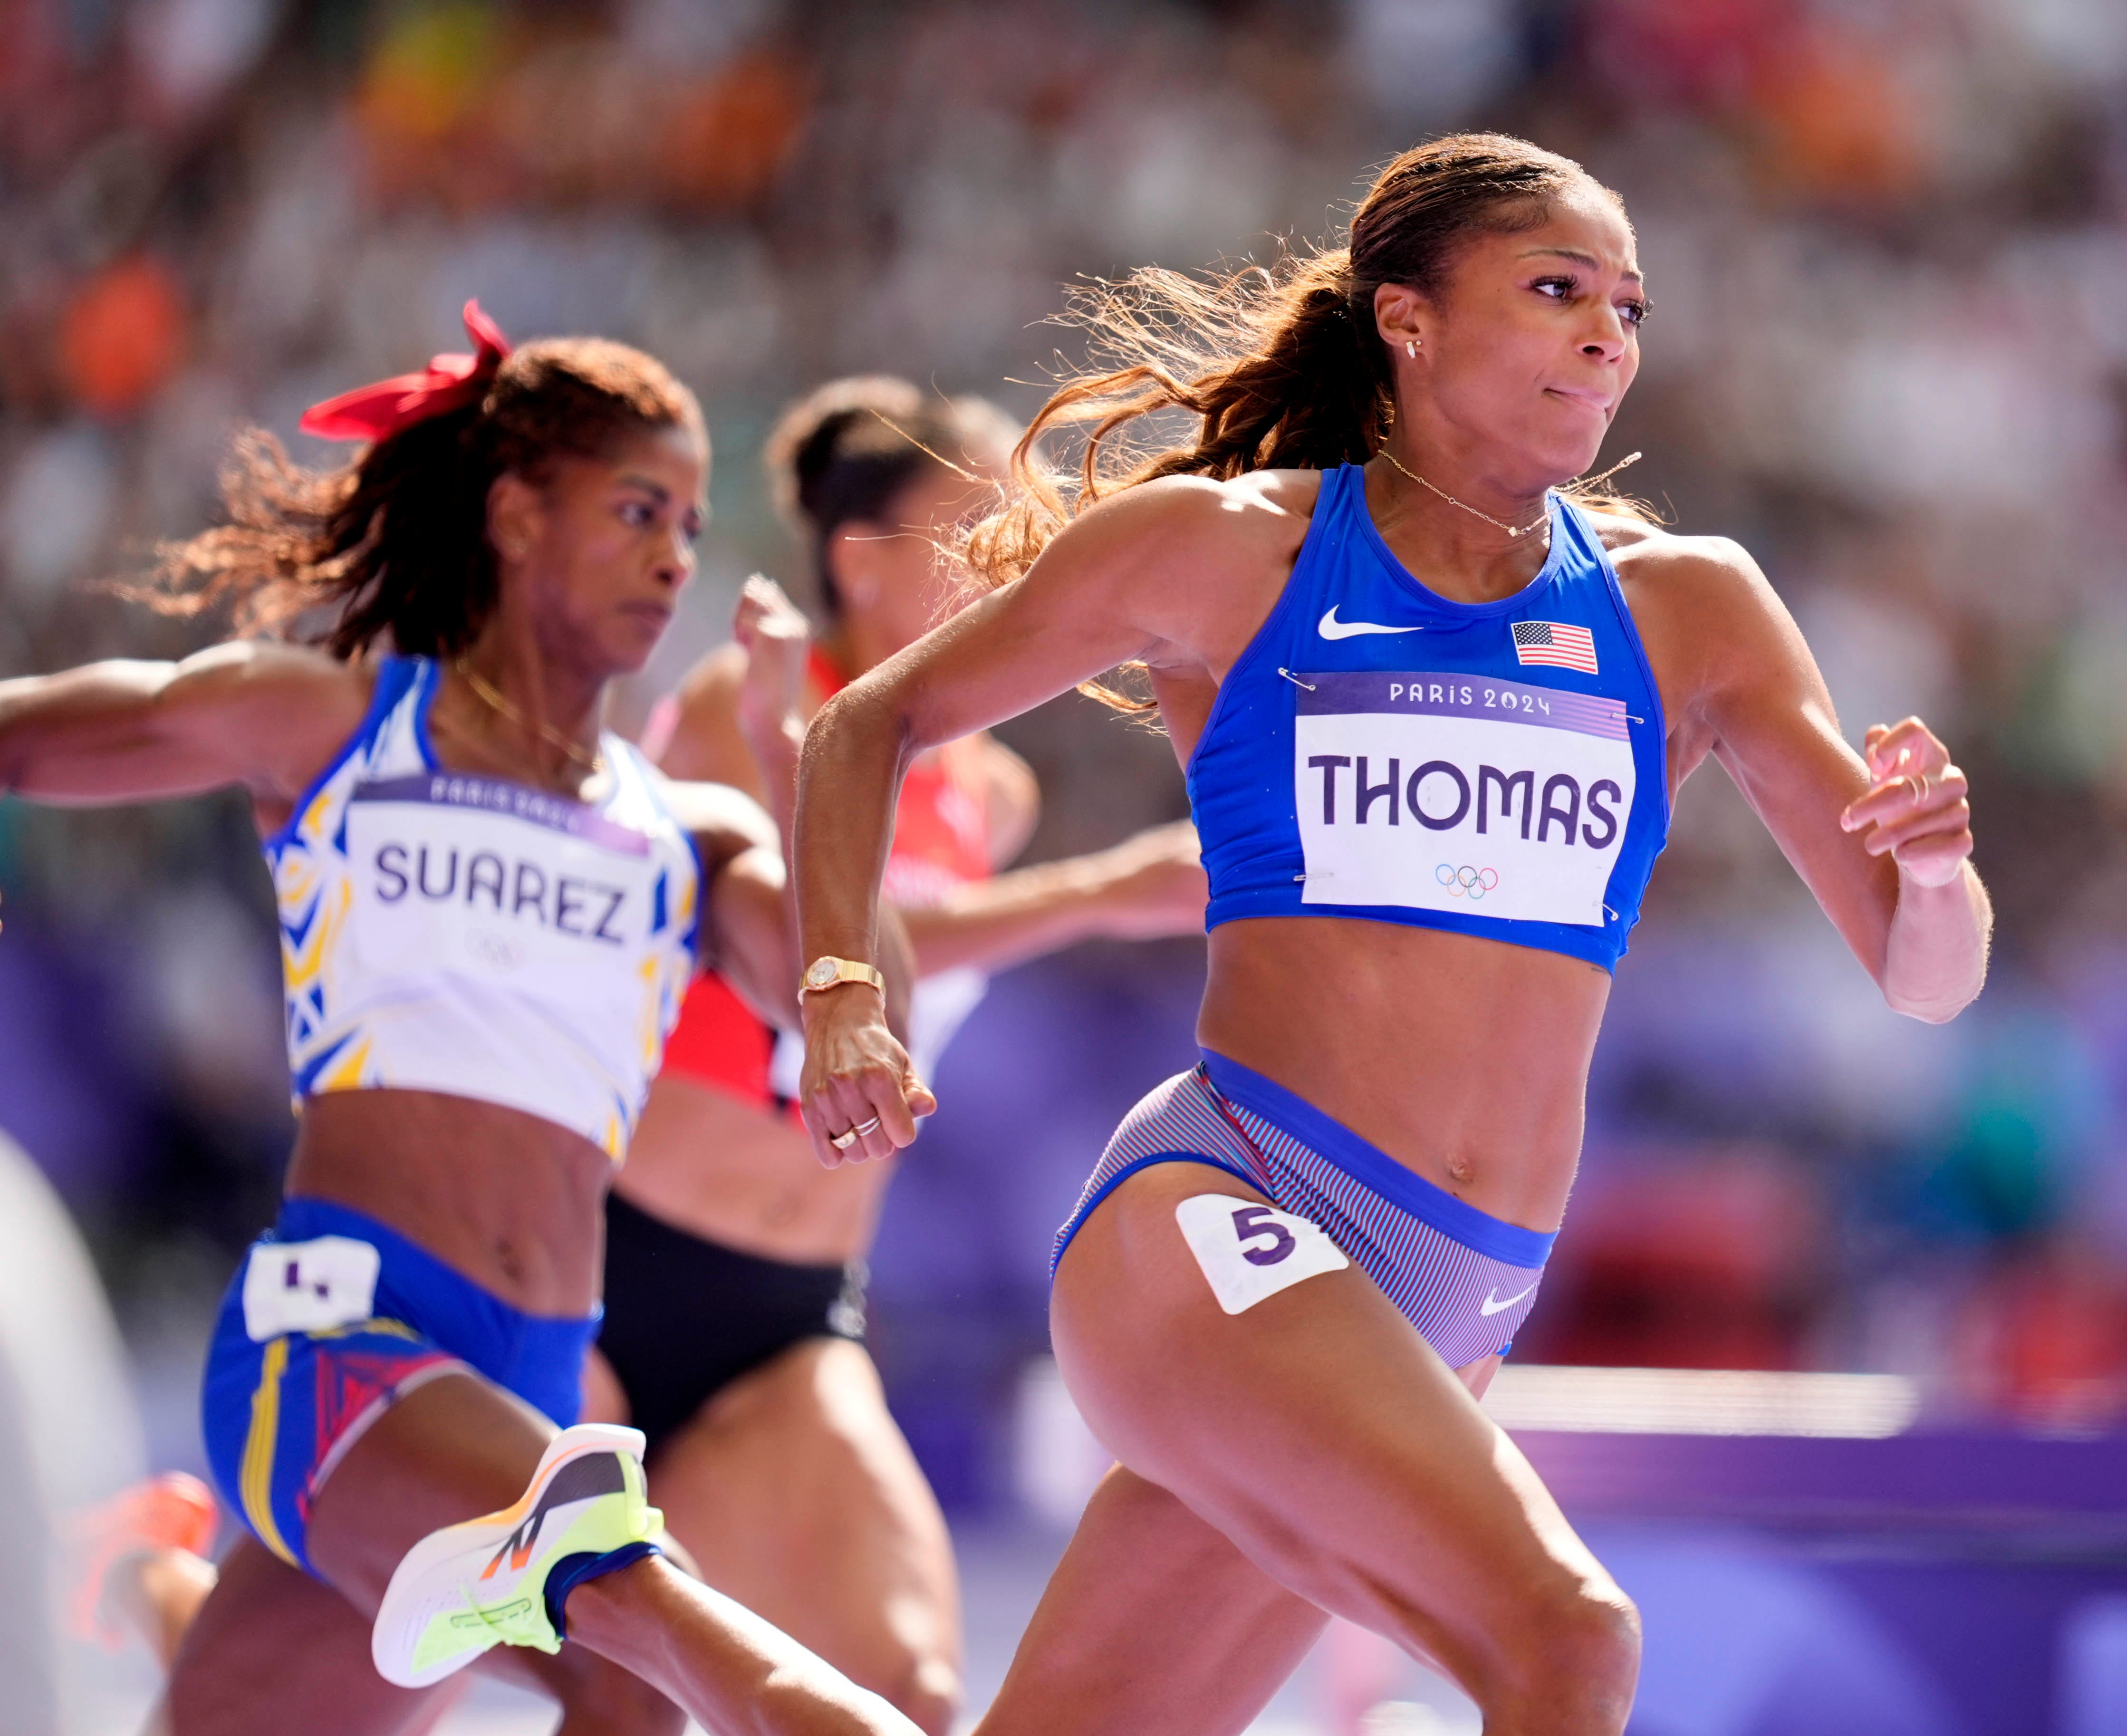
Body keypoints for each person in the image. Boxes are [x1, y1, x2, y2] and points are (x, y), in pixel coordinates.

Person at [790, 134, 1992, 1736]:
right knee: (1568, 1640)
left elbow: (1924, 980)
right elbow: (862, 726)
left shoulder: (1688, 607)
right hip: (1229, 1208)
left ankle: (618, 1598)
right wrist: (842, 990)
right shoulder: (1236, 551)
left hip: (1455, 1301)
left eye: (1627, 308)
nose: (1605, 338)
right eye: (1556, 291)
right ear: (1405, 321)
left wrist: (1936, 872)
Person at [0, 302, 925, 1736]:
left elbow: (851, 989)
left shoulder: (688, 832)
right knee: (646, 1655)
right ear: (511, 514)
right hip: (342, 1343)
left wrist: (815, 807)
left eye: (689, 517)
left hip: (530, 1380)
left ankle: (154, 1579)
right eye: (635, 509)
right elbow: (31, 734)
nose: (678, 552)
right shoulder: (329, 725)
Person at [587, 377, 1207, 1735]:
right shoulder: (732, 705)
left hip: (794, 1304)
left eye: (1024, 528)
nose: (1015, 559)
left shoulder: (991, 787)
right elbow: (821, 924)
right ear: (860, 558)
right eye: (973, 526)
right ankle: (171, 1588)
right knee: (595, 1703)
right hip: (600, 1258)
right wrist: (1105, 889)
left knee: (905, 1690)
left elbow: (909, 956)